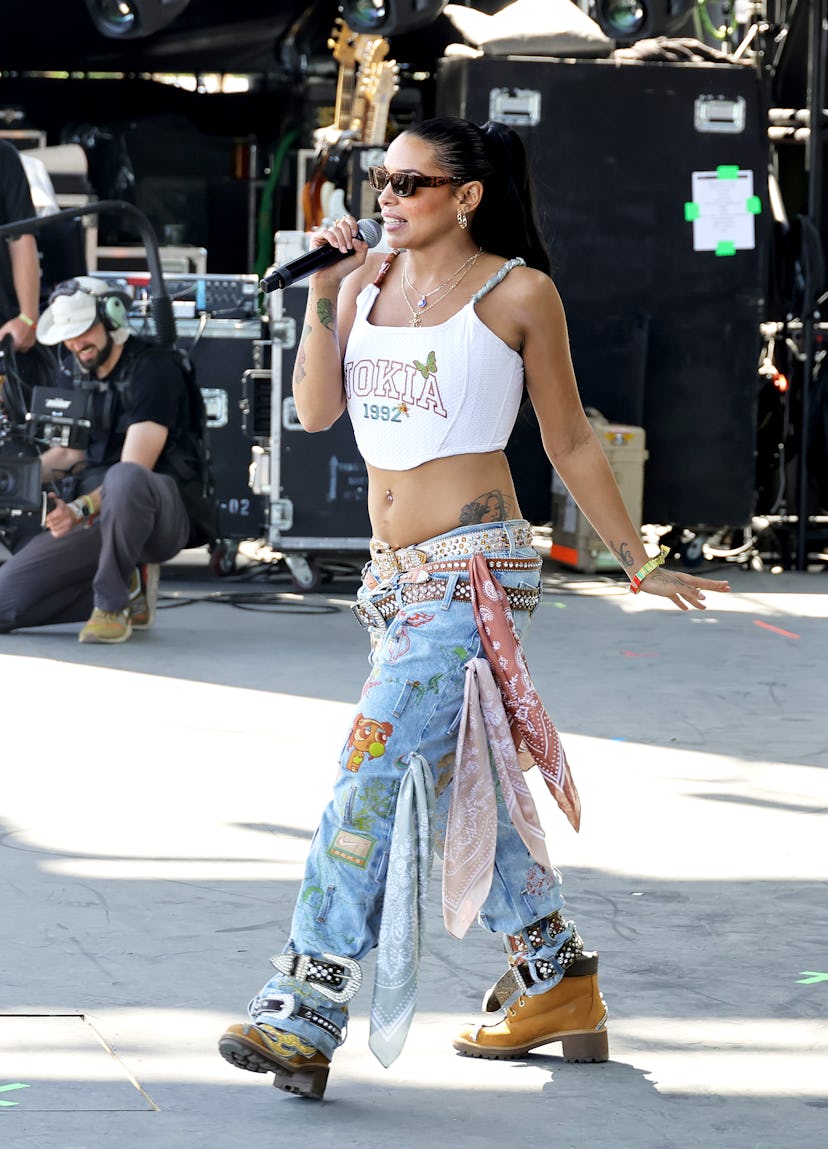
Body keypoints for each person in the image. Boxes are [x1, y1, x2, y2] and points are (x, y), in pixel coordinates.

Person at [219, 116, 730, 1099]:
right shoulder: (364, 284)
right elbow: (316, 412)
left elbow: (572, 440)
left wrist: (637, 561)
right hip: (394, 580)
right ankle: (554, 973)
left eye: (410, 182)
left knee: (367, 775)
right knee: (463, 785)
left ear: (467, 195)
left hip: (474, 571)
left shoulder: (517, 292)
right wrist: (325, 293)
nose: (387, 198)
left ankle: (307, 1002)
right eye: (380, 181)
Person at [0, 275, 215, 642]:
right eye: (68, 335)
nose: (75, 343)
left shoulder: (154, 370)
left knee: (124, 478)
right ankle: (128, 584)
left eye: (83, 330)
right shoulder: (73, 369)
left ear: (112, 318)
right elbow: (69, 453)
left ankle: (111, 605)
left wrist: (79, 509)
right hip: (96, 519)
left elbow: (135, 468)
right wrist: (17, 479)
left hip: (156, 514)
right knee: (5, 603)